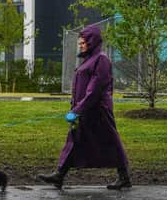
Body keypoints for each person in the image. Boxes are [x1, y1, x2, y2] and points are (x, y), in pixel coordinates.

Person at [37, 24, 131, 190]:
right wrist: (77, 108)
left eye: (83, 43)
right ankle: (60, 175)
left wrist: (77, 110)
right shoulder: (90, 60)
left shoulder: (101, 60)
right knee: (74, 140)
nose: (80, 46)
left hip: (98, 111)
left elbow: (94, 90)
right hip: (85, 111)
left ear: (92, 41)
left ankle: (124, 176)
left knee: (111, 141)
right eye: (79, 43)